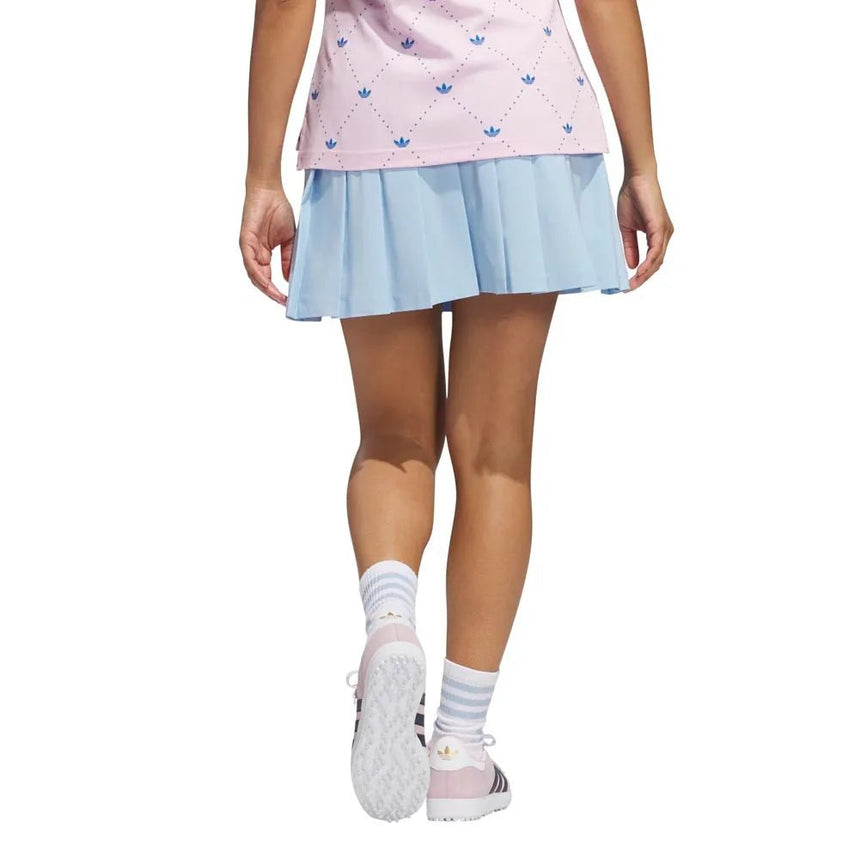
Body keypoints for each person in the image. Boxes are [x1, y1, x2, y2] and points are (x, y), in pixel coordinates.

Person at [239, 0, 673, 822]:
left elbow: (286, 5)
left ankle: (390, 621)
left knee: (392, 438)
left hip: (371, 124)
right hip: (526, 115)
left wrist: (263, 177)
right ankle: (458, 749)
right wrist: (643, 161)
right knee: (495, 455)